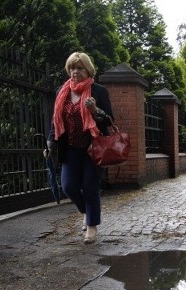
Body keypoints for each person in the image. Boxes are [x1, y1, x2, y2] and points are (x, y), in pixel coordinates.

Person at [45, 52, 113, 244]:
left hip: (94, 147)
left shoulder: (99, 91)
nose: (75, 72)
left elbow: (109, 120)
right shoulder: (62, 91)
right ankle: (87, 211)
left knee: (90, 187)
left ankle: (91, 226)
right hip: (70, 149)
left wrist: (94, 111)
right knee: (68, 186)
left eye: (80, 68)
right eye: (72, 68)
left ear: (88, 70)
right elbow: (55, 121)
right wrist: (50, 143)